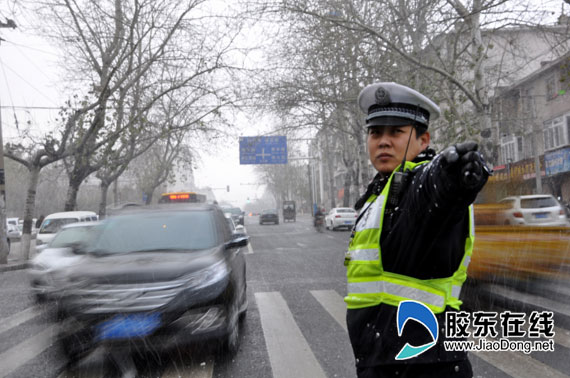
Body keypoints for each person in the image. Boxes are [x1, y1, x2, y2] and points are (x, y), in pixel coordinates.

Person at [344, 82, 491, 378]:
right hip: (388, 361)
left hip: (424, 365)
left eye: (396, 132)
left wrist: (454, 177)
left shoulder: (416, 183)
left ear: (423, 140)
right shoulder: (379, 193)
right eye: (376, 133)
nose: (383, 141)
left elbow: (434, 191)